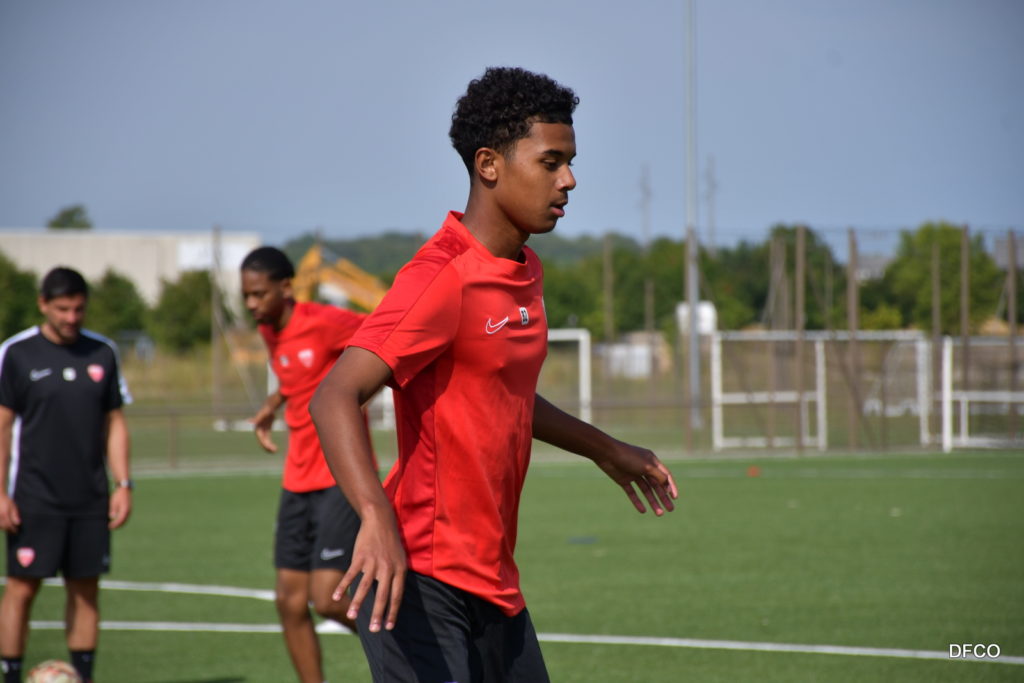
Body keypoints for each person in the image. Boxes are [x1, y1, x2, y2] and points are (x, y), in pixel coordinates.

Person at [309, 66, 679, 682]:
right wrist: (375, 517)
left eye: (570, 163)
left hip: (494, 583)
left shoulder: (524, 269)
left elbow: (508, 395)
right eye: (551, 162)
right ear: (489, 165)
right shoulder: (441, 276)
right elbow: (335, 395)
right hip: (418, 577)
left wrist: (606, 449)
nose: (569, 180)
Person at [240, 246, 372, 683]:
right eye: (246, 295)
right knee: (289, 602)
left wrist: (363, 395)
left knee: (329, 600)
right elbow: (296, 374)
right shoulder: (269, 328)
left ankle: (417, 652)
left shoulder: (325, 321)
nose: (251, 304)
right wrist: (273, 403)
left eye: (259, 294)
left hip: (339, 476)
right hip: (297, 479)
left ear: (285, 287)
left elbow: (385, 337)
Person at [0, 267, 133, 683]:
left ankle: (84, 678)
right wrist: (0, 493)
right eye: (62, 309)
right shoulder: (16, 353)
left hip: (90, 496)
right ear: (43, 304)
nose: (71, 317)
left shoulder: (103, 352)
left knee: (86, 590)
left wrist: (123, 484)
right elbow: (2, 425)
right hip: (32, 495)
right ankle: (10, 676)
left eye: (78, 309)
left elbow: (115, 423)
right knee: (22, 588)